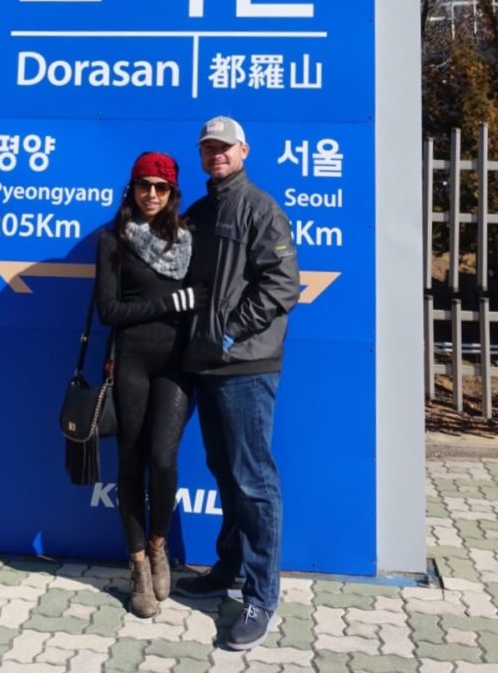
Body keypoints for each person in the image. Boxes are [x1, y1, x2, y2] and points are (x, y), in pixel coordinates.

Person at [175, 116, 300, 651]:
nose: (217, 154)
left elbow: (283, 285)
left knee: (253, 481)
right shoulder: (200, 212)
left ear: (244, 150)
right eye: (209, 147)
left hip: (246, 366)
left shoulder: (261, 208)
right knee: (225, 472)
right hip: (205, 365)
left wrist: (229, 331)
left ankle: (260, 596)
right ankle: (229, 567)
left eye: (225, 147)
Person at [95, 151, 207, 619]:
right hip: (131, 362)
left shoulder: (189, 238)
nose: (152, 195)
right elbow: (109, 311)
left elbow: (202, 295)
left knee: (163, 460)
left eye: (161, 187)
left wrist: (187, 301)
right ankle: (138, 564)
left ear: (173, 193)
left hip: (177, 365)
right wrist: (167, 304)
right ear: (132, 189)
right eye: (144, 185)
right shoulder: (112, 239)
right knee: (131, 462)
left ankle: (159, 545)